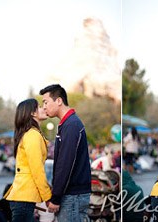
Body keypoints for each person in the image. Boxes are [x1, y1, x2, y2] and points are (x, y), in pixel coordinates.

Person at [40, 84, 91, 221]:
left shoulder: (71, 125)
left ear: (59, 101)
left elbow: (65, 164)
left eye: (46, 102)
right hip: (72, 196)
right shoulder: (67, 123)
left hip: (73, 197)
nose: (44, 107)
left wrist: (56, 198)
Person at [4, 98, 52, 222]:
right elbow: (37, 170)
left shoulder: (30, 134)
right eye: (40, 107)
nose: (44, 108)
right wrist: (47, 196)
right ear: (32, 113)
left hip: (23, 197)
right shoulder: (32, 135)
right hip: (24, 197)